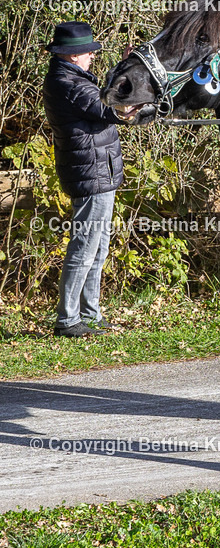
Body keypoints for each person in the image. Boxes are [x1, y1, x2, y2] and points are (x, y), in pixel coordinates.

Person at [42, 21, 125, 337]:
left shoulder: (72, 77)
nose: (92, 55)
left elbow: (102, 96)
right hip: (91, 173)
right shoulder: (67, 83)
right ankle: (68, 319)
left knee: (98, 246)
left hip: (97, 172)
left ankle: (89, 313)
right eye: (88, 51)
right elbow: (109, 105)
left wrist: (121, 72)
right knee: (85, 246)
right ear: (74, 55)